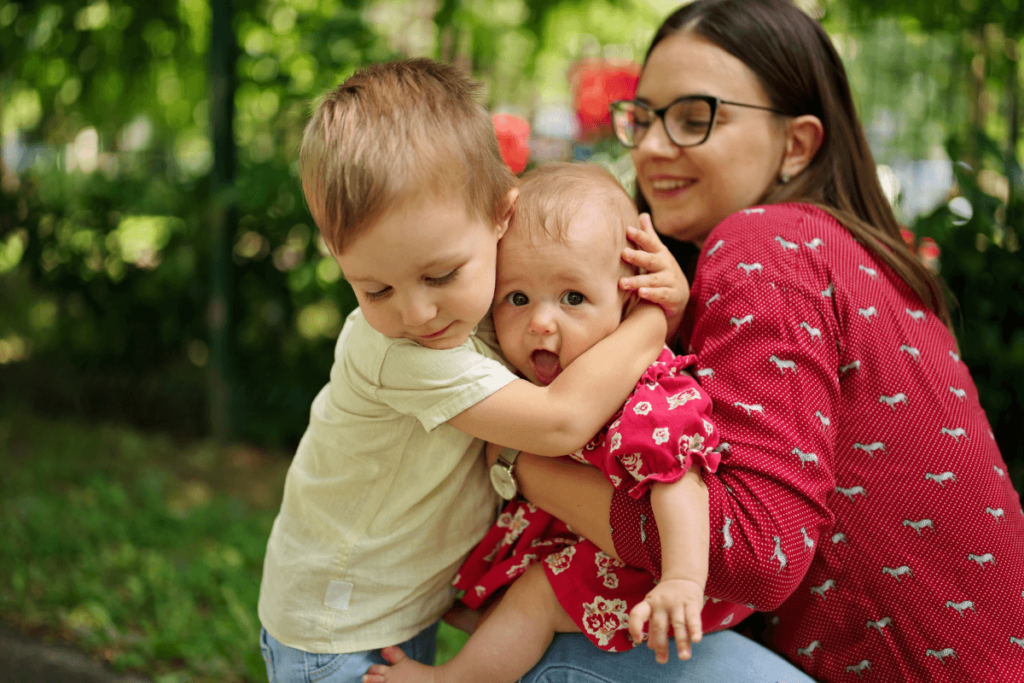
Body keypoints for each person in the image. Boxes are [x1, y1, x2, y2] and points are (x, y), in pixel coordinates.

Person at [497, 2, 1024, 682]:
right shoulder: (864, 260)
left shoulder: (763, 245)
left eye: (695, 118)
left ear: (798, 144)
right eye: (645, 117)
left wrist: (518, 452)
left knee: (567, 636)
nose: (653, 147)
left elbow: (754, 549)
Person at [257, 60, 671, 683]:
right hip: (338, 632)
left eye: (441, 275)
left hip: (396, 610)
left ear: (502, 216)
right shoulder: (397, 352)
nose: (416, 312)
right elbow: (559, 422)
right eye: (374, 288)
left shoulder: (492, 304)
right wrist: (656, 316)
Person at [362, 163, 753, 683]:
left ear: (629, 298)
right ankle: (503, 625)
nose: (541, 322)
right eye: (517, 298)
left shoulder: (644, 394)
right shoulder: (523, 363)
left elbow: (679, 476)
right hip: (600, 543)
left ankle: (451, 679)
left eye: (573, 298)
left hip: (671, 581)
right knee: (527, 590)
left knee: (540, 596)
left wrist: (681, 580)